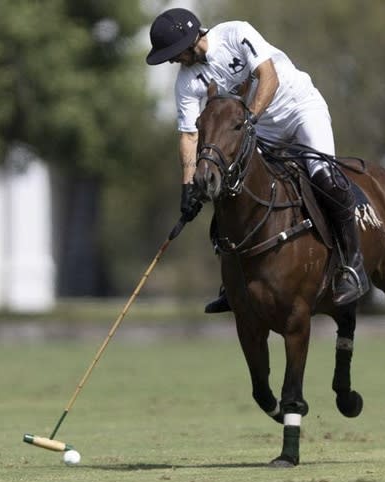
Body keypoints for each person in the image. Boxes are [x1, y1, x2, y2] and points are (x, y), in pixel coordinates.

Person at [146, 8, 369, 311]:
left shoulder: (236, 33)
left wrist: (249, 120)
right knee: (231, 190)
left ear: (189, 40)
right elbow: (188, 135)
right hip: (260, 128)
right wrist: (188, 186)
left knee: (323, 177)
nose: (172, 60)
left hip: (300, 108)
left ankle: (352, 265)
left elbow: (269, 76)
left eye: (173, 53)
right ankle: (233, 282)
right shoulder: (187, 81)